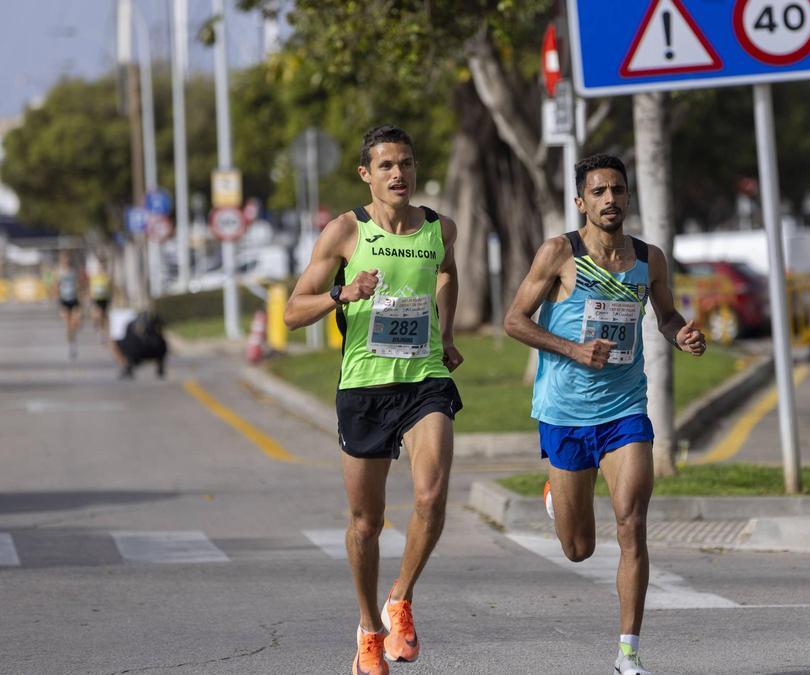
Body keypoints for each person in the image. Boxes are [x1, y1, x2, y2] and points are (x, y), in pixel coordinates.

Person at [504, 153, 706, 675]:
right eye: (598, 192)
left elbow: (666, 316)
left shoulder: (648, 259)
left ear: (628, 197)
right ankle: (556, 495)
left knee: (631, 524)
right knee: (577, 549)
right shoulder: (559, 254)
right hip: (565, 412)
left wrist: (681, 333)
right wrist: (572, 349)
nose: (609, 199)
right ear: (581, 202)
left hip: (624, 409)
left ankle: (628, 653)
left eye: (617, 190)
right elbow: (514, 321)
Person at [284, 125, 463, 675]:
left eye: (405, 163)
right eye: (386, 165)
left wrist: (447, 332)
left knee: (431, 497)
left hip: (424, 381)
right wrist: (342, 292)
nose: (398, 174)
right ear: (367, 174)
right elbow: (293, 311)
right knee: (367, 522)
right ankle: (368, 627)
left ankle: (400, 599)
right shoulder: (344, 232)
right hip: (363, 387)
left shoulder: (438, 227)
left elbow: (446, 272)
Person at [54, 251, 85, 359]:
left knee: (76, 322)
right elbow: (56, 286)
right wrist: (58, 301)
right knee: (68, 325)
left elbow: (80, 284)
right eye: (64, 259)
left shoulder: (74, 270)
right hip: (64, 300)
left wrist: (82, 296)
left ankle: (73, 337)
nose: (66, 261)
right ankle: (71, 345)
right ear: (61, 260)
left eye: (67, 259)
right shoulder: (58, 271)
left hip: (74, 299)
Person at [89, 255, 113, 338]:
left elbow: (110, 286)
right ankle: (99, 328)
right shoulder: (95, 274)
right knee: (99, 314)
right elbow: (92, 285)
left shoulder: (107, 274)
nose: (103, 266)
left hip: (105, 298)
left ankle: (102, 331)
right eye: (101, 264)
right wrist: (91, 294)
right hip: (97, 298)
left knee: (104, 316)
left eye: (104, 264)